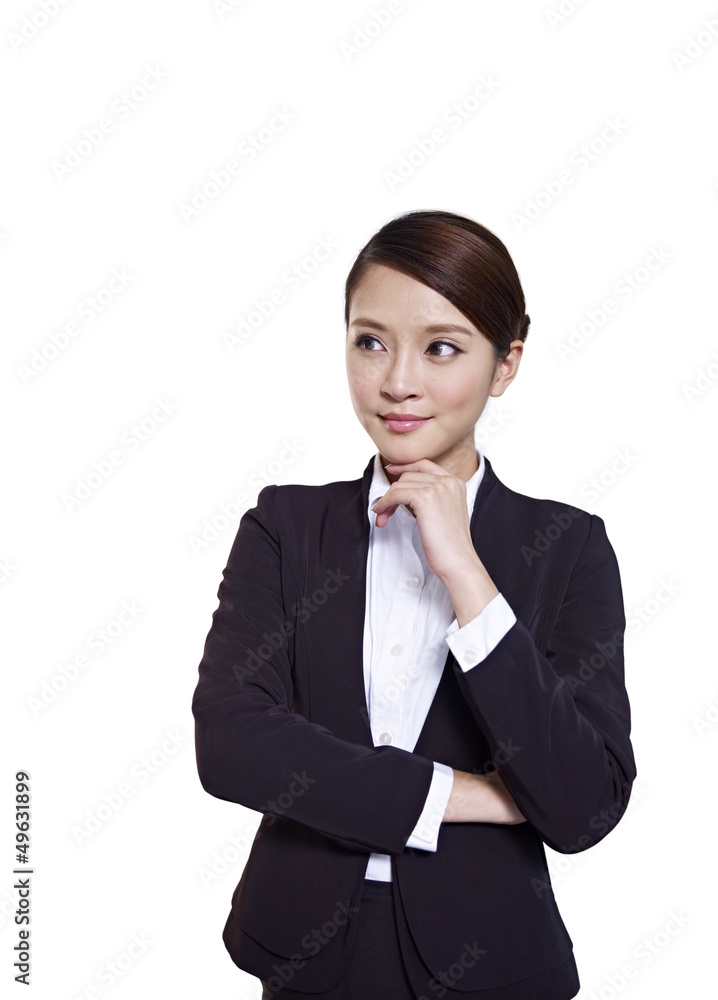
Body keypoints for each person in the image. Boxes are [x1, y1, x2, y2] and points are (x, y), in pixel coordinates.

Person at [191, 209, 637, 999]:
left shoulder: (567, 547)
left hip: (492, 962)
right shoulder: (285, 527)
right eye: (370, 341)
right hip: (303, 950)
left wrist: (467, 572)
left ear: (506, 365)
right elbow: (230, 744)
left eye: (442, 347)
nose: (398, 380)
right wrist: (470, 795)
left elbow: (582, 805)